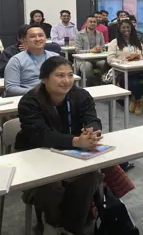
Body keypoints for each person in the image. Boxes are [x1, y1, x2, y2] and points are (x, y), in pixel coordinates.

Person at [15, 57, 102, 235]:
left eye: (70, 75)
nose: (67, 80)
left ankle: (69, 228)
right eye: (60, 75)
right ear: (44, 79)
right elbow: (40, 136)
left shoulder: (81, 95)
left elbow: (92, 118)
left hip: (73, 155)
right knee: (51, 187)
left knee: (91, 176)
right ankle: (55, 224)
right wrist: (76, 141)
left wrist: (91, 132)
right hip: (38, 156)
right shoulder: (30, 101)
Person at [107, 20, 143, 114]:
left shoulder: (136, 40)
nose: (126, 29)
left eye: (128, 27)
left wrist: (141, 60)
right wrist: (123, 61)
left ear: (131, 28)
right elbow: (110, 59)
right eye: (123, 27)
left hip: (140, 69)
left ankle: (135, 97)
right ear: (119, 29)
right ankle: (139, 100)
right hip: (124, 71)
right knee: (134, 84)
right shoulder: (114, 42)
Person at [4, 25, 59, 96]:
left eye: (41, 35)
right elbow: (10, 89)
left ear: (46, 38)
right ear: (25, 40)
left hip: (55, 96)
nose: (37, 39)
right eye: (32, 36)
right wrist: (38, 92)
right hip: (29, 97)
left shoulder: (55, 57)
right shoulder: (16, 60)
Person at [74, 15, 107, 86]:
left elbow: (104, 48)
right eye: (90, 22)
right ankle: (88, 86)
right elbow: (78, 51)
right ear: (86, 23)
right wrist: (91, 51)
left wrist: (100, 49)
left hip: (97, 59)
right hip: (83, 60)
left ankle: (103, 83)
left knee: (105, 63)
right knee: (87, 67)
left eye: (94, 22)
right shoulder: (79, 34)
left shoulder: (100, 34)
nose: (93, 23)